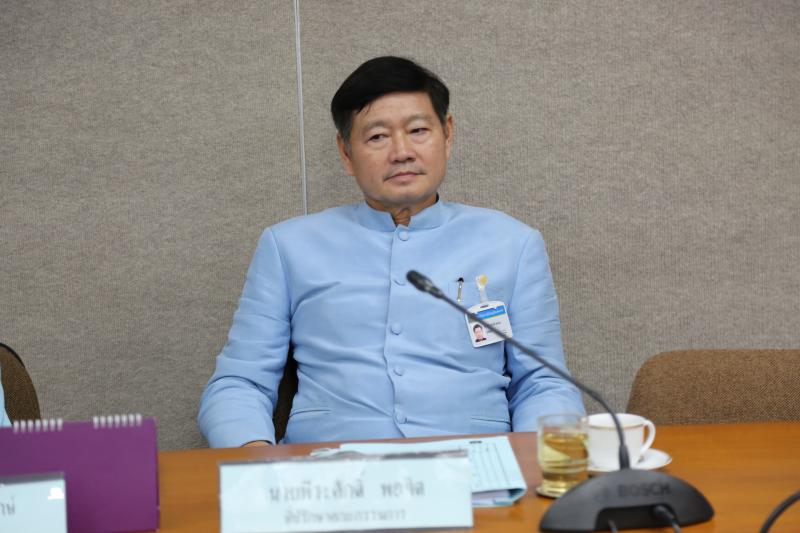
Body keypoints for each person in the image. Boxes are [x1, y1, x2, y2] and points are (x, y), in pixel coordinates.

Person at [198, 56, 584, 447]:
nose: (401, 152)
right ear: (346, 152)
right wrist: (256, 458)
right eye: (377, 137)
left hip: (475, 465)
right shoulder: (288, 247)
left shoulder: (512, 244)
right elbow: (239, 383)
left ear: (447, 134)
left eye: (418, 130)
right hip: (329, 469)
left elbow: (543, 383)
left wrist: (540, 463)